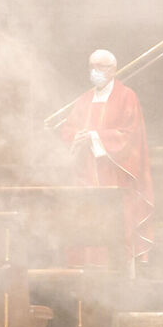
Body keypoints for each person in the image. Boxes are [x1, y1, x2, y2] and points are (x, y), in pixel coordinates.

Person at [57, 48, 153, 264]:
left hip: (115, 174)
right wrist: (77, 137)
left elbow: (129, 135)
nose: (94, 72)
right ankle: (87, 272)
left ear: (113, 70)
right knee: (87, 224)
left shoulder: (126, 96)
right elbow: (68, 130)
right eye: (91, 67)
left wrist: (94, 137)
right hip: (87, 176)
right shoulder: (83, 100)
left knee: (116, 225)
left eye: (99, 67)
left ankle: (120, 272)